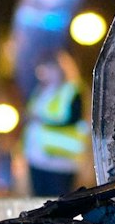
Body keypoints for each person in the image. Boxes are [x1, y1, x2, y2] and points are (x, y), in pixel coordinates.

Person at [23, 52, 90, 198]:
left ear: (59, 68)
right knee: (38, 201)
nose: (41, 74)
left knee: (57, 201)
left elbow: (74, 119)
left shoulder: (72, 90)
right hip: (37, 156)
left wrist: (42, 120)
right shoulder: (40, 90)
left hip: (61, 160)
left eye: (45, 69)